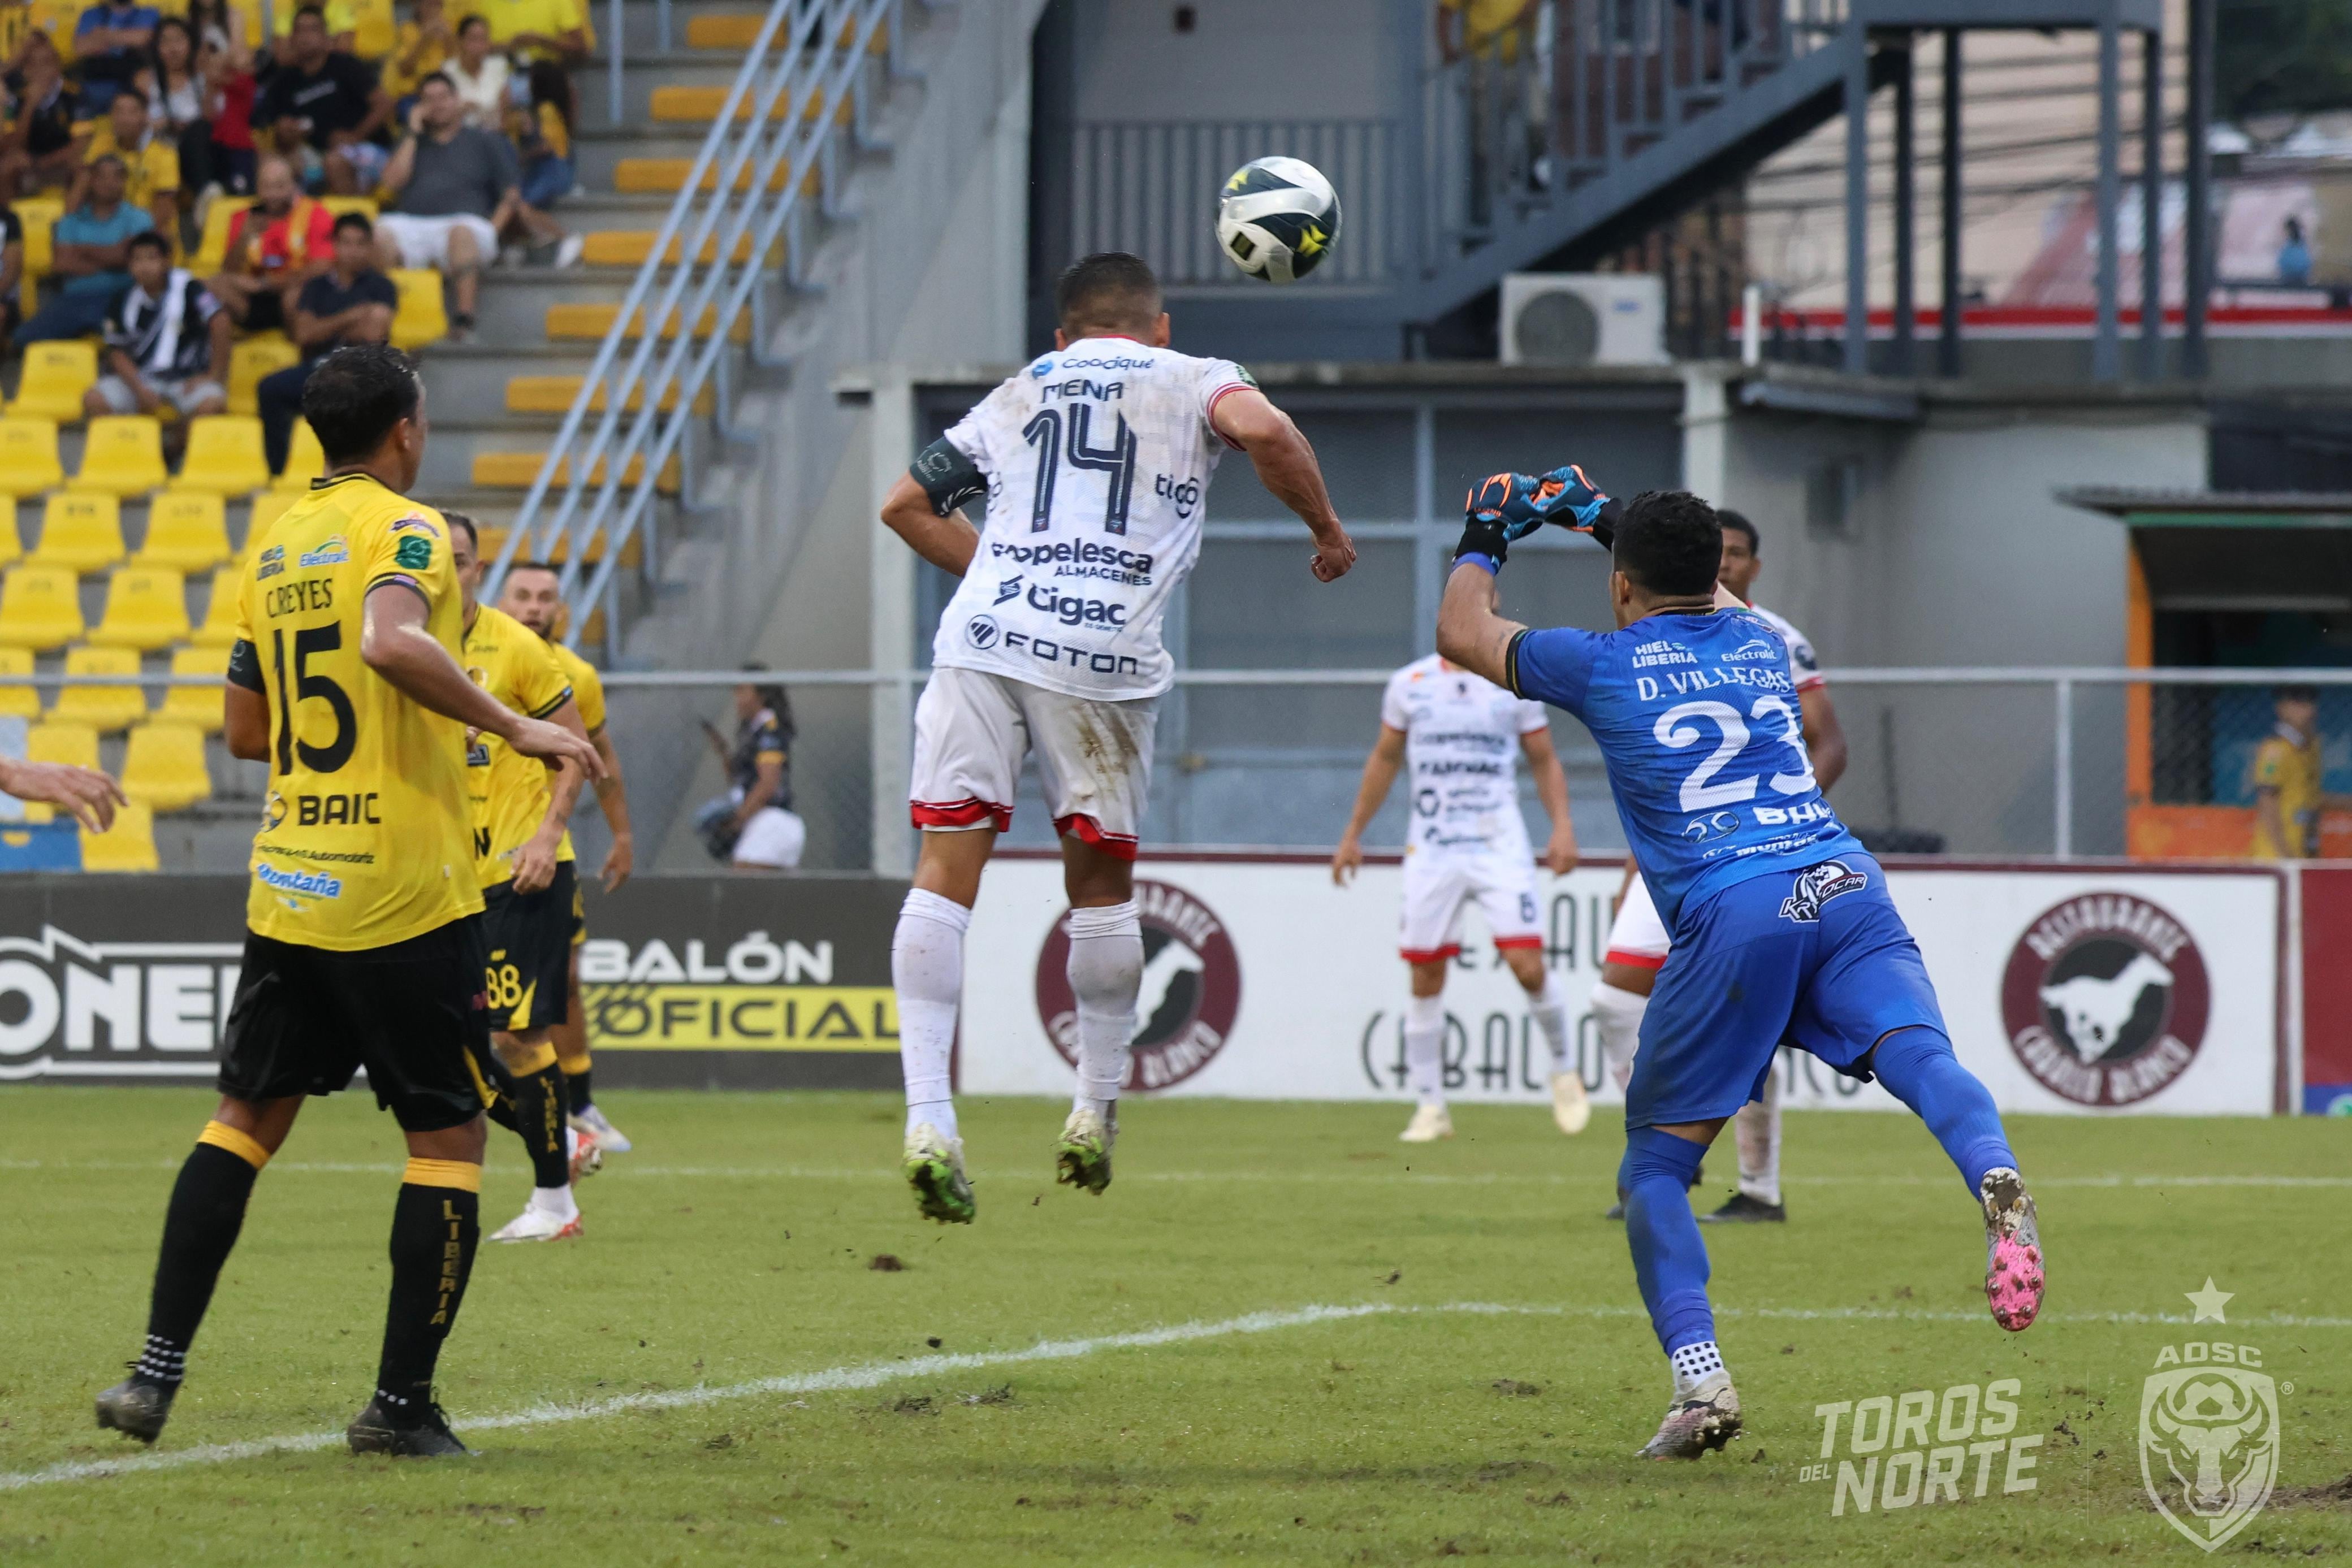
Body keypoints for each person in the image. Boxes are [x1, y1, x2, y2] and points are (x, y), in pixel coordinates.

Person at [1433, 471, 2042, 1459]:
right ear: (1718, 569)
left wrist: (1487, 528)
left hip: (1733, 903)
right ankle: (2000, 1179)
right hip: (1841, 879)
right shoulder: (1760, 636)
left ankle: (1701, 1382)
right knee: (1924, 1058)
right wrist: (1605, 521)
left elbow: (1463, 630)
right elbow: (1689, 583)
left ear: (1621, 586)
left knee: (1658, 1167)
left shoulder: (1598, 662)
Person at [93, 343, 601, 1459]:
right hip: (403, 890)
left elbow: (240, 730)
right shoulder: (406, 528)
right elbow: (385, 638)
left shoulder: (275, 544)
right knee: (450, 1133)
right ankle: (401, 1406)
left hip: (290, 881)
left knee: (242, 1121)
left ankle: (153, 1371)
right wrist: (511, 724)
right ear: (406, 429)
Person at [876, 250, 1356, 1224]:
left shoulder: (1021, 390)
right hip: (1100, 653)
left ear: (1065, 335)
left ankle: (930, 1116)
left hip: (984, 641)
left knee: (943, 867)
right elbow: (1266, 429)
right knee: (1097, 887)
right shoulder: (1196, 376)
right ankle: (1093, 1108)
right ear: (1160, 325)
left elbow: (904, 504)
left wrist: (999, 579)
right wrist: (1326, 530)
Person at [1591, 507, 1848, 1225]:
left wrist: (1777, 825)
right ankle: (1675, 1150)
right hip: (1677, 853)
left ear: (1750, 568)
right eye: (1718, 552)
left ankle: (1758, 1186)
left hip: (1758, 855)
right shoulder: (1653, 636)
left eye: (1737, 554)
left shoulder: (1774, 640)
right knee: (1613, 999)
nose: (1726, 564)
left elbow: (1829, 744)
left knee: (1750, 1016)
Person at [1331, 651, 1585, 1142]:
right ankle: (1431, 1107)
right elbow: (1385, 757)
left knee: (1527, 966)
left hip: (1499, 845)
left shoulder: (1513, 683)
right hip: (1433, 849)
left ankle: (1564, 1070)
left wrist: (1563, 827)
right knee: (1425, 973)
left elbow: (1543, 758)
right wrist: (1352, 834)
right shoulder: (1410, 683)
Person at [446, 514, 602, 1243]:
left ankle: (554, 1202)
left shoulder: (518, 649)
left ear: (480, 569)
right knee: (450, 1046)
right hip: (438, 878)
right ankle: (567, 1141)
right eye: (432, 561)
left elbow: (576, 751)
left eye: (460, 561)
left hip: (518, 870)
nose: (446, 573)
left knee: (516, 1035)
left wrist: (548, 835)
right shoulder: (400, 646)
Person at [498, 559, 636, 1153]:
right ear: (502, 598)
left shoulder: (576, 675)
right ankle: (543, 1125)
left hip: (545, 851)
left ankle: (578, 1106)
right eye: (523, 595)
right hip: (467, 849)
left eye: (545, 597)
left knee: (563, 982)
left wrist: (622, 835)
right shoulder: (468, 657)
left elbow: (599, 757)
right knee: (497, 1018)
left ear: (561, 609)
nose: (533, 606)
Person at [375, 71, 572, 338]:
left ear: (457, 100)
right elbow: (390, 183)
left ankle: (464, 320)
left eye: (443, 97)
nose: (437, 104)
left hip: (466, 223)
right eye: (429, 99)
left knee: (462, 232)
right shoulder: (412, 140)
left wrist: (493, 229)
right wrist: (411, 130)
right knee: (378, 232)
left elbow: (512, 194)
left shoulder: (485, 140)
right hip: (413, 223)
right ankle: (384, 325)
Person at [257, 209, 395, 473]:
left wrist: (325, 326)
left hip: (360, 372)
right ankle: (277, 472)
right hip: (320, 369)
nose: (352, 251)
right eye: (345, 242)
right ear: (334, 245)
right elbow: (303, 335)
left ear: (369, 248)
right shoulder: (316, 286)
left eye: (359, 243)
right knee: (270, 388)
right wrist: (352, 316)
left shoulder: (382, 286)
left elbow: (374, 332)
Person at [86, 230, 230, 447]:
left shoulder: (190, 288)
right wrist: (139, 388)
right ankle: (134, 452)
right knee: (94, 400)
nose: (144, 266)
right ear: (130, 265)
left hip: (186, 377)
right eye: (137, 259)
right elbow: (116, 352)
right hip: (142, 376)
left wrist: (214, 375)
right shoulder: (121, 299)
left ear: (166, 261)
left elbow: (220, 321)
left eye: (152, 258)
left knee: (213, 404)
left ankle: (172, 450)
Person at [255, 6, 390, 195]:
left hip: (368, 149)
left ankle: (350, 220)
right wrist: (286, 133)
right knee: (270, 163)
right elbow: (280, 136)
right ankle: (290, 223)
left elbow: (383, 104)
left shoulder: (345, 65)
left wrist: (355, 137)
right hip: (316, 154)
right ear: (292, 39)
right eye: (299, 30)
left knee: (334, 162)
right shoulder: (284, 80)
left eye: (313, 30)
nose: (305, 36)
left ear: (327, 38)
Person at [19, 154, 151, 341]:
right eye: (102, 177)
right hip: (76, 298)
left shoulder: (140, 218)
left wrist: (82, 252)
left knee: (129, 339)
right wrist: (113, 258)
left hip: (123, 296)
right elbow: (62, 264)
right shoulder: (71, 221)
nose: (110, 183)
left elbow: (125, 257)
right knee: (25, 338)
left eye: (117, 177)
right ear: (92, 181)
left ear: (125, 182)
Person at [206, 153, 331, 334]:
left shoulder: (315, 214)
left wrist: (267, 284)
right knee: (209, 285)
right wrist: (245, 236)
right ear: (257, 187)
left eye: (280, 186)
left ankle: (301, 351)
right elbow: (229, 271)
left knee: (294, 296)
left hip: (297, 294)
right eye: (267, 187)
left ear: (293, 186)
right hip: (255, 299)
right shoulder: (244, 218)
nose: (273, 194)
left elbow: (322, 267)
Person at [699, 670, 803, 870]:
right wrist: (724, 753)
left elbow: (768, 783)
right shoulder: (750, 730)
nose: (737, 698)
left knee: (744, 889)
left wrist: (737, 821)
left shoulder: (769, 728)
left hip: (771, 821)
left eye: (742, 690)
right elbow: (741, 781)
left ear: (761, 695)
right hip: (758, 820)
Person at [2250, 685, 2349, 859]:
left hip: (2307, 851)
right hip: (2277, 856)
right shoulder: (2275, 751)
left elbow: (2311, 798)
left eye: (2310, 702)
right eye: (2299, 704)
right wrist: (2284, 855)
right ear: (2282, 709)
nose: (2308, 710)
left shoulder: (2312, 749)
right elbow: (2267, 802)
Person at [71, 89, 180, 239]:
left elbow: (163, 211)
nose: (124, 119)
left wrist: (132, 243)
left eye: (132, 112)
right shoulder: (101, 145)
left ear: (145, 116)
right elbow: (80, 189)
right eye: (119, 112)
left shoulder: (165, 154)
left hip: (147, 239)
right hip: (105, 235)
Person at [0, 33, 87, 194]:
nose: (41, 71)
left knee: (81, 167)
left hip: (60, 164)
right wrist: (29, 107)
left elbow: (80, 145)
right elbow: (11, 146)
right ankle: (6, 216)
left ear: (58, 66)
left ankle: (72, 218)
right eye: (34, 65)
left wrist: (40, 163)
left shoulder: (74, 95)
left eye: (47, 63)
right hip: (28, 164)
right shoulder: (17, 99)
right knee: (7, 165)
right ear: (26, 71)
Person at [197, 28, 257, 195]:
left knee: (241, 190)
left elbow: (213, 74)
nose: (237, 57)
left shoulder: (246, 81)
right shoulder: (219, 85)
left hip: (239, 145)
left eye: (244, 55)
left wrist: (221, 53)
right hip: (219, 143)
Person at [72, 0, 158, 112]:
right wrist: (130, 38)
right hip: (100, 80)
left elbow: (145, 39)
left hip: (136, 78)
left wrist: (100, 35)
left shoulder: (148, 13)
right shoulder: (91, 15)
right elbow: (81, 48)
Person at [381, 0, 454, 119]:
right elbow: (405, 70)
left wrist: (449, 40)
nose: (435, 10)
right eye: (430, 5)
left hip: (444, 93)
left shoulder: (449, 30)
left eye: (438, 5)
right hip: (414, 95)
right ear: (418, 6)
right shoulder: (406, 30)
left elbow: (456, 66)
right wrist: (425, 39)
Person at [438, 12, 507, 129]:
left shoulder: (498, 66)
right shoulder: (447, 71)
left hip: (492, 136)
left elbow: (505, 117)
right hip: (457, 137)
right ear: (460, 40)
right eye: (473, 39)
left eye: (483, 40)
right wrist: (462, 110)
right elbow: (440, 116)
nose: (478, 46)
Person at [2279, 216, 2314, 288]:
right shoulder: (2302, 245)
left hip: (2290, 276)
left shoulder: (2288, 246)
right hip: (2301, 276)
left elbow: (2283, 263)